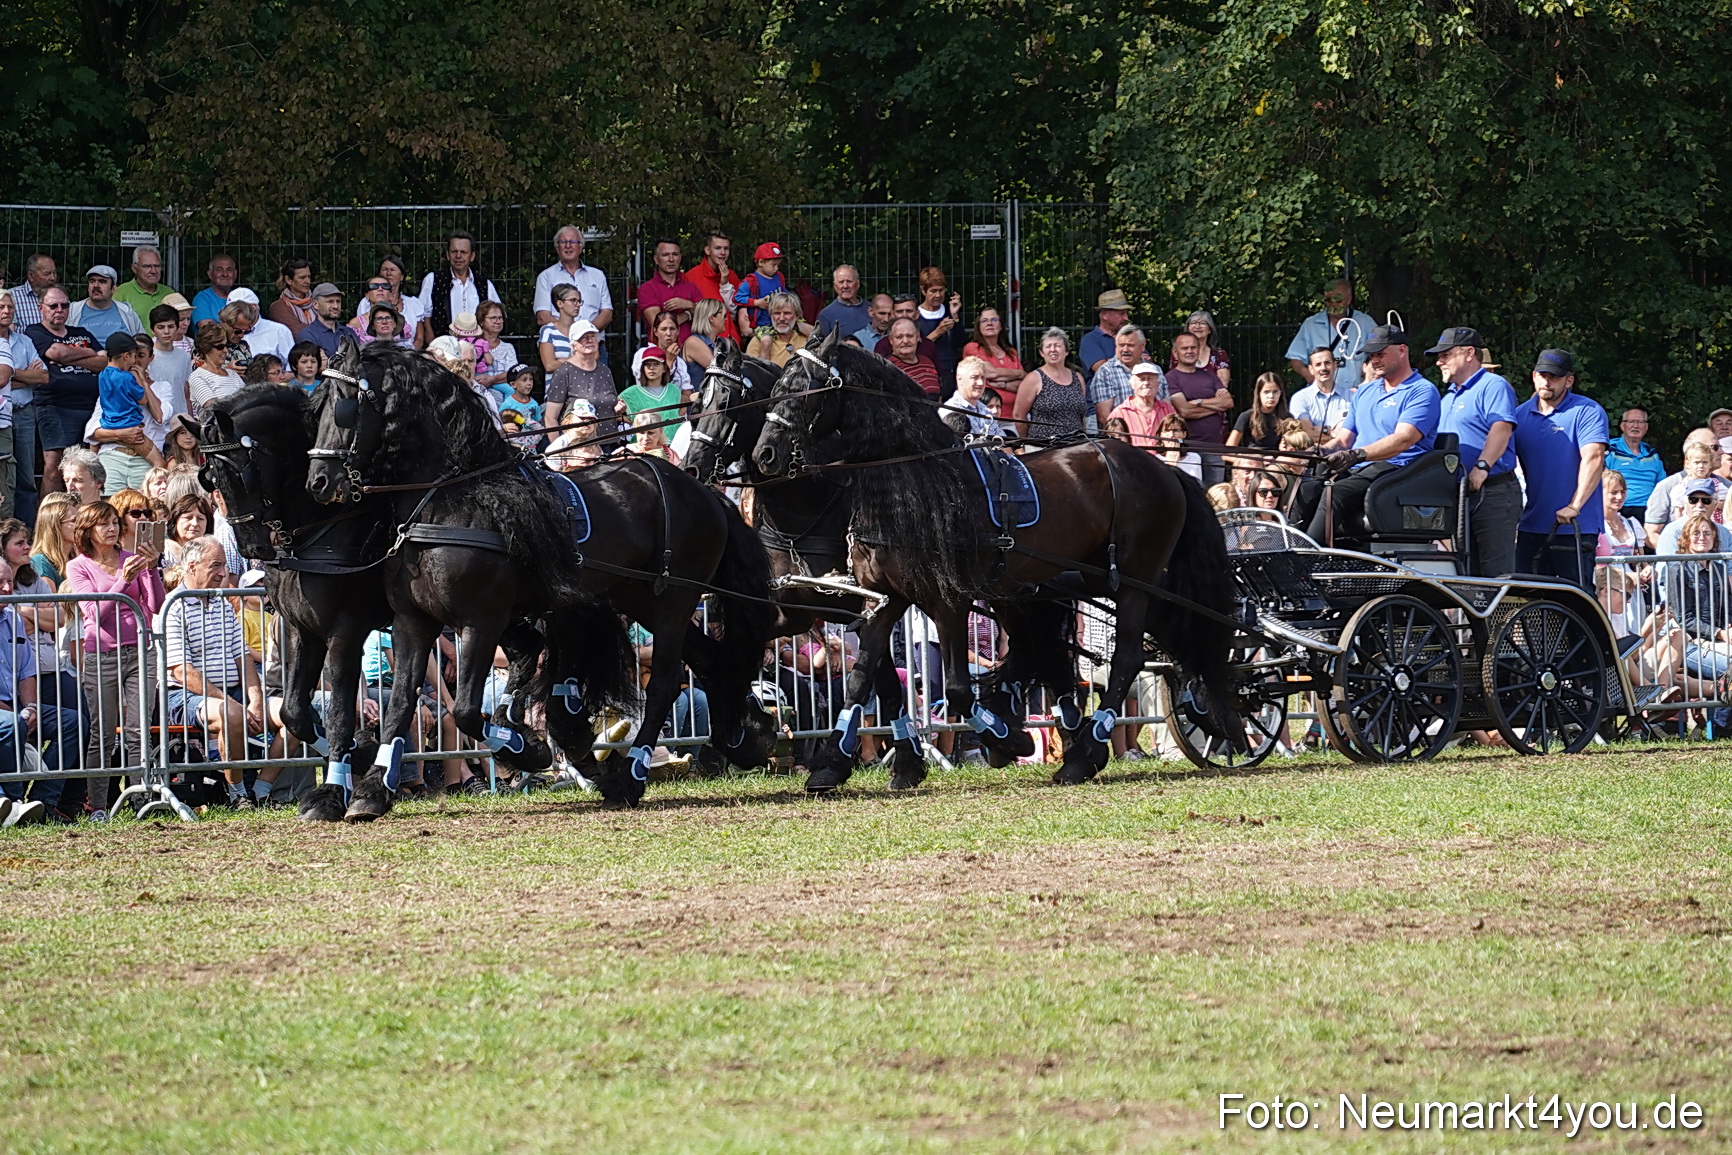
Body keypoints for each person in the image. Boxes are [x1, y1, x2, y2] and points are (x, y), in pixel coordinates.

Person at [1288, 325, 1440, 545]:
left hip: (1398, 468)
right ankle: (1289, 546)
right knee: (1310, 485)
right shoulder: (1366, 392)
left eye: (1380, 354)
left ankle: (1308, 554)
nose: (1374, 360)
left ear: (1402, 350)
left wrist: (1357, 454)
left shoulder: (1422, 391)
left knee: (1335, 493)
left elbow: (1403, 439)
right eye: (1371, 356)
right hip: (1361, 466)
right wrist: (1322, 450)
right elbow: (1344, 440)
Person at [64, 499, 164, 821]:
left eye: (114, 523)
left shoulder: (131, 557)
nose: (112, 528)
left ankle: (140, 800)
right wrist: (125, 580)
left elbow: (156, 604)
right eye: (103, 524)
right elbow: (94, 612)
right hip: (102, 655)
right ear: (87, 530)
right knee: (103, 734)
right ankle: (98, 806)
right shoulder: (78, 566)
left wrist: (151, 569)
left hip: (140, 651)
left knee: (138, 731)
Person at [160, 537, 279, 803]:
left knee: (291, 713)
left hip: (231, 692)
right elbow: (183, 672)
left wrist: (256, 700)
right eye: (215, 565)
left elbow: (243, 657)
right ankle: (237, 794)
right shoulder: (173, 607)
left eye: (224, 565)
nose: (223, 573)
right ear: (192, 567)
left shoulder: (222, 604)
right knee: (231, 714)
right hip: (184, 696)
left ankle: (260, 791)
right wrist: (234, 704)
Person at [1512, 348, 1608, 589]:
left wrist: (1575, 506)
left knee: (1577, 599)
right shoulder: (1519, 416)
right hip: (1531, 525)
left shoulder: (1587, 411)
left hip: (1574, 527)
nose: (1547, 382)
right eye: (1542, 375)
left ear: (1569, 380)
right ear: (1534, 376)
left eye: (1554, 377)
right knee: (1524, 598)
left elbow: (1594, 458)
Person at [1428, 326, 1520, 576]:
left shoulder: (1493, 385)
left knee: (1496, 576)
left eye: (1445, 355)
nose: (1439, 362)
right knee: (1466, 574)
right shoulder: (1447, 398)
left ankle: (1502, 605)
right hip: (1459, 496)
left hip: (1493, 491)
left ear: (1469, 353)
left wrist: (1482, 466)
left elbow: (1501, 428)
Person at [26, 286, 106, 495]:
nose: (59, 310)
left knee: (87, 468)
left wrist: (72, 356)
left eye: (64, 305)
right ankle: (50, 512)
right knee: (55, 466)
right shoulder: (34, 332)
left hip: (91, 408)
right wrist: (89, 352)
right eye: (53, 306)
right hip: (55, 406)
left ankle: (84, 511)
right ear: (41, 308)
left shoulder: (82, 333)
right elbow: (56, 352)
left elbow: (104, 361)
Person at [0, 293, 47, 521]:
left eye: (10, 307)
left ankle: (26, 530)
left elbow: (43, 376)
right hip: (3, 416)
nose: (7, 311)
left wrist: (8, 372)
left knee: (26, 476)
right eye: (2, 306)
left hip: (24, 412)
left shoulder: (24, 341)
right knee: (4, 473)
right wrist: (26, 375)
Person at [94, 332, 165, 481]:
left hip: (111, 426)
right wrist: (139, 378)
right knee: (160, 463)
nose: (135, 361)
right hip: (131, 428)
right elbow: (143, 400)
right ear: (126, 356)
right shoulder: (126, 377)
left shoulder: (102, 375)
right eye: (134, 356)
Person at [1165, 330, 1234, 484]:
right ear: (1175, 353)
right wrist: (1215, 405)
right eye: (1185, 348)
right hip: (1188, 450)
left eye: (1193, 347)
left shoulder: (1210, 375)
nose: (1190, 351)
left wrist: (1198, 402)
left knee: (1215, 494)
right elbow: (1184, 411)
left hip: (1214, 448)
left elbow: (1228, 402)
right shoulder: (1171, 378)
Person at [1284, 278, 1376, 392]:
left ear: (1349, 300)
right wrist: (1311, 378)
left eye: (1338, 301)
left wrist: (1368, 376)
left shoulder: (1365, 322)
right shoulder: (1311, 324)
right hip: (1323, 394)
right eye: (1329, 300)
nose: (1333, 305)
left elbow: (1380, 353)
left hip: (1357, 392)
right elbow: (1295, 358)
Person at [417, 231, 500, 348]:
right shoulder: (433, 280)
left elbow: (496, 315)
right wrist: (432, 342)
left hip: (477, 347)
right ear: (447, 255)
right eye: (454, 251)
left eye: (463, 252)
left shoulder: (484, 284)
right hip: (443, 347)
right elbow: (424, 314)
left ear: (472, 256)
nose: (458, 256)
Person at [1595, 471, 1652, 638]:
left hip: (1632, 587)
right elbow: (1592, 562)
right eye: (1613, 492)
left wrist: (1646, 569)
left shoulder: (1630, 523)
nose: (1619, 497)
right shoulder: (1595, 525)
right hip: (1608, 587)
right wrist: (1624, 576)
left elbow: (1639, 558)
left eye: (1622, 491)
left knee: (1635, 630)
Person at [533, 225, 613, 342]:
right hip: (559, 344)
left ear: (581, 247)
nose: (568, 245)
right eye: (563, 242)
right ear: (557, 248)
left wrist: (587, 334)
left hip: (593, 344)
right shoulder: (546, 277)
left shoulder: (598, 275)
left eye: (573, 242)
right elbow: (542, 317)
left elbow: (607, 313)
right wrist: (570, 335)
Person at [1012, 327, 1088, 442]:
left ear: (1066, 351)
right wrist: (1028, 441)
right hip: (1045, 446)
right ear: (1041, 352)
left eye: (1057, 346)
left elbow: (1082, 417)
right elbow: (1019, 416)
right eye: (1048, 346)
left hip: (1076, 444)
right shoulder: (1034, 378)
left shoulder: (1078, 378)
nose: (1053, 350)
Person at [544, 321, 620, 430]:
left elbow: (611, 406)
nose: (589, 340)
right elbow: (550, 418)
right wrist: (558, 441)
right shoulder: (563, 372)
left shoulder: (605, 370)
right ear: (573, 345)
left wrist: (619, 408)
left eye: (593, 336)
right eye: (583, 337)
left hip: (611, 437)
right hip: (579, 439)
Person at [1087, 325, 1155, 431]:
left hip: (1154, 433)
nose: (1125, 350)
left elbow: (1165, 405)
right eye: (1121, 345)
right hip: (1122, 437)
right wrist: (1132, 436)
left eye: (1130, 345)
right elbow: (1104, 416)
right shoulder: (1105, 372)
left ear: (1142, 346)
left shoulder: (1155, 370)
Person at [144, 304, 192, 445]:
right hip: (154, 423)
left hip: (179, 423)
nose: (166, 332)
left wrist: (190, 420)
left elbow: (186, 391)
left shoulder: (184, 356)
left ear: (177, 327)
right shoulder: (146, 357)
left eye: (171, 326)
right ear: (152, 329)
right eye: (161, 327)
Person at [1606, 408, 1664, 523]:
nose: (1636, 426)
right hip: (1620, 507)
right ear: (1622, 426)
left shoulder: (1652, 454)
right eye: (1631, 421)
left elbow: (1663, 485)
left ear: (1646, 427)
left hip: (1650, 510)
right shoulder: (1610, 450)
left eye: (1640, 422)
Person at [637, 237, 700, 340]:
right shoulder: (648, 288)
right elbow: (660, 325)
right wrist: (689, 314)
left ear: (680, 258)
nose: (671, 259)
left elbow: (708, 319)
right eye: (665, 255)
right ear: (656, 259)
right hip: (662, 348)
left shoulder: (691, 286)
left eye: (675, 254)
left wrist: (689, 304)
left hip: (691, 349)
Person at [685, 232, 742, 344]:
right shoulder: (691, 277)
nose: (723, 252)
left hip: (731, 340)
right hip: (704, 342)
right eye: (717, 248)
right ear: (707, 250)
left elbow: (737, 312)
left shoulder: (732, 276)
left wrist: (725, 283)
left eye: (726, 248)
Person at [356, 257, 427, 346]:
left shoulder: (413, 304)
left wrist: (410, 353)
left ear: (402, 276)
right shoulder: (366, 302)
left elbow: (419, 338)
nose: (388, 273)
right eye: (384, 269)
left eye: (393, 270)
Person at [913, 267, 964, 389]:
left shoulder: (950, 311)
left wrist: (955, 317)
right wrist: (938, 332)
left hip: (951, 374)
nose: (938, 295)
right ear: (923, 291)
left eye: (941, 290)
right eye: (933, 291)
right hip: (926, 374)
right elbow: (917, 348)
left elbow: (961, 342)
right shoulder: (915, 315)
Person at [961, 307, 1023, 408]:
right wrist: (1019, 373)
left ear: (1001, 326)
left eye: (994, 319)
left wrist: (1004, 385)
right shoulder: (973, 348)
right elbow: (991, 373)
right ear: (979, 327)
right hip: (986, 412)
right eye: (984, 320)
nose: (989, 323)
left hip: (1014, 413)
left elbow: (1024, 385)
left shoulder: (1012, 353)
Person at [1288, 346, 1352, 442]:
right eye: (1318, 364)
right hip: (1312, 451)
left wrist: (1321, 430)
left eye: (1327, 363)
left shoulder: (1351, 397)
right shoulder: (1300, 398)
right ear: (1311, 369)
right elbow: (1307, 434)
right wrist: (1336, 433)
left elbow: (1356, 432)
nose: (1323, 368)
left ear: (1335, 365)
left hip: (1345, 451)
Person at [1107, 363, 1176, 449]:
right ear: (1132, 384)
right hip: (1133, 457)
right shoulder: (1119, 413)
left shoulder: (1168, 409)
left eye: (1150, 378)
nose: (1146, 383)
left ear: (1158, 384)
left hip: (1164, 457)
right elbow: (1112, 446)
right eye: (1141, 379)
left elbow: (1177, 437)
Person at [68, 265, 143, 344]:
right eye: (92, 281)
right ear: (88, 287)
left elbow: (142, 341)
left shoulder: (126, 311)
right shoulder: (73, 310)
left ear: (113, 289)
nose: (96, 285)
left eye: (102, 281)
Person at [218, 289, 294, 365]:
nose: (241, 335)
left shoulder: (279, 331)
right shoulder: (217, 336)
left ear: (253, 307)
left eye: (243, 308)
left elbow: (291, 367)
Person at [187, 323, 245, 416]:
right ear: (206, 348)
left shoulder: (232, 374)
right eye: (220, 347)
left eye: (226, 345)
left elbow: (248, 399)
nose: (225, 350)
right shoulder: (197, 377)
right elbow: (214, 408)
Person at [618, 346, 689, 421]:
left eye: (656, 364)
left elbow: (680, 413)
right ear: (643, 368)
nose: (651, 368)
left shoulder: (674, 390)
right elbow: (612, 413)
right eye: (647, 364)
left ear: (664, 368)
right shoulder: (630, 393)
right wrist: (633, 423)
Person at [940, 357, 1005, 439]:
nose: (981, 383)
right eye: (974, 377)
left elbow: (1003, 442)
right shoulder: (949, 412)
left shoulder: (986, 411)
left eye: (983, 378)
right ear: (960, 379)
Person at [1227, 372, 1290, 454]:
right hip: (1253, 459)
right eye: (1266, 392)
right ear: (1258, 393)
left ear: (1280, 393)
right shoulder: (1246, 416)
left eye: (1275, 392)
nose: (1271, 396)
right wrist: (1241, 460)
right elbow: (1228, 451)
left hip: (1279, 459)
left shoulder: (1288, 418)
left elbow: (1296, 448)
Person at [744, 291, 813, 367]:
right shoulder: (758, 342)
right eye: (777, 313)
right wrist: (765, 349)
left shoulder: (806, 340)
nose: (782, 318)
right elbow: (752, 372)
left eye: (787, 313)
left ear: (797, 316)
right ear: (771, 316)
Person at [732, 241, 786, 335]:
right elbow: (737, 298)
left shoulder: (779, 277)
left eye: (778, 265)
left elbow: (784, 292)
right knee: (766, 340)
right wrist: (756, 302)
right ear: (761, 262)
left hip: (780, 321)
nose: (776, 268)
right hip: (761, 324)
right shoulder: (751, 281)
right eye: (773, 265)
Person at [1079, 290, 1131, 382]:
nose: (1126, 318)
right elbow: (1104, 370)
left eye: (1127, 313)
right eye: (1121, 313)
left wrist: (1110, 361)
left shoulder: (1131, 337)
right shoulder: (1090, 340)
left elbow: (1147, 365)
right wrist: (1134, 359)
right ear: (1104, 315)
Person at [29, 492, 80, 585]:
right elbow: (48, 594)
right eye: (74, 520)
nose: (81, 524)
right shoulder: (40, 562)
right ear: (55, 527)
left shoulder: (75, 558)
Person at [113, 246, 175, 321]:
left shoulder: (169, 294)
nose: (153, 271)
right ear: (134, 269)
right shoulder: (121, 294)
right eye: (147, 266)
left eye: (157, 266)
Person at [884, 317, 940, 397]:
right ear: (891, 340)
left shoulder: (927, 362)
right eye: (899, 337)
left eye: (910, 336)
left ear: (917, 337)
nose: (905, 341)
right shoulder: (887, 368)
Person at [1178, 310, 1231, 389]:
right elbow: (1174, 382)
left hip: (1213, 396)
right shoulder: (1178, 353)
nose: (1197, 326)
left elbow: (1222, 385)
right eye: (1193, 323)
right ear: (1188, 328)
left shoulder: (1219, 354)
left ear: (1210, 329)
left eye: (1202, 323)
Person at [546, 399, 604, 470]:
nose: (588, 421)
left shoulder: (594, 445)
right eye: (582, 418)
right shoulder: (558, 446)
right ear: (568, 422)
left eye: (591, 419)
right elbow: (552, 470)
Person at [537, 284, 583, 373]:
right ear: (560, 303)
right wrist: (578, 359)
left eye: (579, 301)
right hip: (556, 381)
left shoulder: (582, 329)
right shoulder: (548, 331)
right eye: (573, 300)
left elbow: (594, 357)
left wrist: (561, 361)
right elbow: (549, 365)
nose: (578, 305)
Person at [294, 283, 346, 357]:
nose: (336, 306)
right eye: (330, 301)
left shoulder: (349, 333)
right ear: (315, 304)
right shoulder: (307, 335)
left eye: (338, 301)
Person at [680, 298, 727, 382]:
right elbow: (720, 370)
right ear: (711, 318)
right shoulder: (693, 342)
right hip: (698, 390)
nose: (726, 319)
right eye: (724, 315)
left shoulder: (721, 342)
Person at [473, 301, 516, 391]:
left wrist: (491, 380)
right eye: (493, 318)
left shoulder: (508, 348)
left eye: (500, 318)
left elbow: (513, 373)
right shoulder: (472, 345)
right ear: (481, 321)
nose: (498, 322)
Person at [163, 491, 212, 569]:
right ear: (175, 520)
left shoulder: (211, 552)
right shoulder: (162, 551)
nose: (195, 523)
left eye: (200, 518)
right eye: (188, 518)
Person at [817, 264, 869, 337]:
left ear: (858, 284)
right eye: (841, 282)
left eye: (849, 281)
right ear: (835, 286)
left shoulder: (871, 309)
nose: (845, 286)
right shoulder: (826, 315)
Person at [190, 254, 240, 327]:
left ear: (235, 274)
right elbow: (207, 328)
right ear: (210, 274)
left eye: (229, 270)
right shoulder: (202, 299)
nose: (225, 274)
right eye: (219, 270)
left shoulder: (240, 298)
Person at [268, 259, 317, 332]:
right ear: (288, 280)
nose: (308, 281)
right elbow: (299, 333)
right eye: (302, 278)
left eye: (309, 277)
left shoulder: (317, 302)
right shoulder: (278, 308)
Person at [9, 253, 57, 327]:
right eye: (47, 274)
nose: (52, 278)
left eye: (54, 273)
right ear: (31, 275)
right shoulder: (11, 297)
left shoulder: (60, 298)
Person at [1154, 413, 1203, 480]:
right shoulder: (1156, 460)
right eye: (1166, 431)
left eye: (1176, 430)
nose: (1171, 435)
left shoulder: (1194, 458)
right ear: (1160, 435)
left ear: (1184, 434)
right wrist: (1172, 465)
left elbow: (1196, 483)